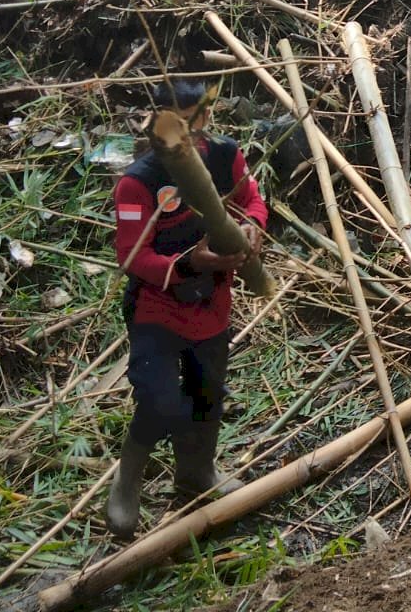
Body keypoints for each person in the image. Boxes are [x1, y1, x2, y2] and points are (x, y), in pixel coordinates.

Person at [105, 80, 268, 540]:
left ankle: (197, 473)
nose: (196, 131)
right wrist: (187, 262)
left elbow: (253, 199)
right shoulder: (139, 181)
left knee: (206, 394)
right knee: (157, 400)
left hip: (212, 304)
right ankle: (127, 482)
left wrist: (253, 226)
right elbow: (131, 255)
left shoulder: (224, 155)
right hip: (157, 307)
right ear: (161, 121)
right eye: (184, 119)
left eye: (202, 116)